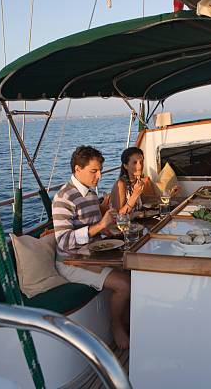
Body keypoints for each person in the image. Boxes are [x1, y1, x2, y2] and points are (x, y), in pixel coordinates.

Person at [52, 146, 131, 349]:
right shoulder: (64, 198)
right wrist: (100, 226)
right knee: (124, 284)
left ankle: (132, 320)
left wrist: (109, 230)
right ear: (78, 169)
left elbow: (95, 229)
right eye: (94, 171)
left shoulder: (89, 192)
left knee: (134, 270)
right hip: (71, 262)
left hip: (92, 255)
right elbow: (64, 241)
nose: (99, 175)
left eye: (100, 170)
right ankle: (116, 326)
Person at [111, 147, 151, 215]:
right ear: (126, 166)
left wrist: (168, 196)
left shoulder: (137, 181)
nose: (140, 166)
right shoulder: (120, 184)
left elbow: (144, 201)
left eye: (141, 162)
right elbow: (118, 215)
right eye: (135, 163)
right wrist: (135, 194)